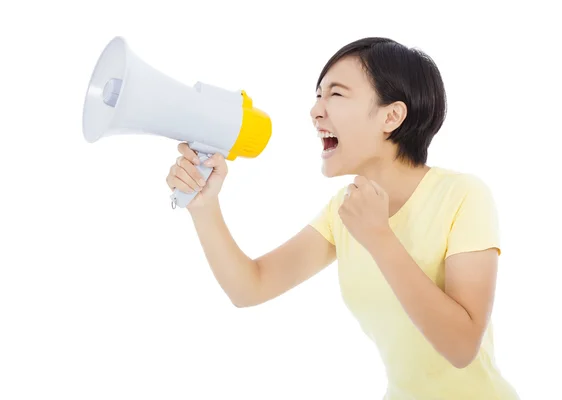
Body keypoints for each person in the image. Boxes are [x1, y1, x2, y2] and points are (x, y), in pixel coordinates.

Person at [165, 37, 520, 400]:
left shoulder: (462, 195)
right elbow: (251, 287)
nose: (316, 111)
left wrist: (379, 237)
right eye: (318, 95)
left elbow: (461, 347)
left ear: (392, 116)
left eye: (335, 94)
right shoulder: (343, 210)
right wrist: (204, 207)